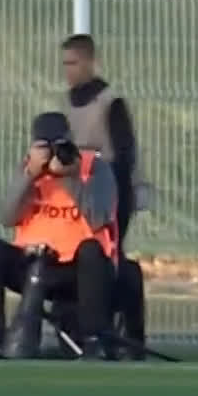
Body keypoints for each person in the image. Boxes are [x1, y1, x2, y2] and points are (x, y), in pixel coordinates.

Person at [0, 111, 119, 359]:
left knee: (91, 251)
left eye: (59, 146)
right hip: (33, 261)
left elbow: (99, 217)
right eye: (44, 147)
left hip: (78, 268)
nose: (52, 154)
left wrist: (71, 178)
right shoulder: (29, 169)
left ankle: (94, 340)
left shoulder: (94, 168)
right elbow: (7, 217)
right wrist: (29, 175)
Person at [60, 33, 142, 247]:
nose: (68, 70)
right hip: (74, 191)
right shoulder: (67, 103)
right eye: (65, 64)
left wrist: (119, 200)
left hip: (105, 190)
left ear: (90, 62)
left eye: (73, 63)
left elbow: (124, 156)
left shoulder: (110, 103)